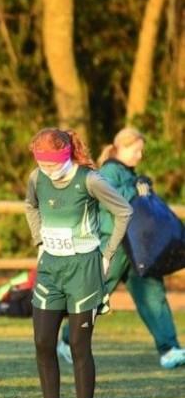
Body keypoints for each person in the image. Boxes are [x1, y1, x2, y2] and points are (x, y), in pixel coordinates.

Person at [23, 128, 132, 398]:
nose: (47, 172)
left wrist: (107, 254)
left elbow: (124, 211)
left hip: (84, 270)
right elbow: (30, 206)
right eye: (42, 165)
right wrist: (39, 242)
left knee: (79, 346)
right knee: (44, 343)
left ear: (65, 156)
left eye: (51, 165)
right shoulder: (37, 178)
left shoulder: (90, 180)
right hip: (50, 269)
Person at [57, 128, 185, 369]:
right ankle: (67, 340)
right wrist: (136, 190)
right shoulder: (107, 172)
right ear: (123, 147)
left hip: (138, 247)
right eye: (137, 150)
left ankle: (169, 349)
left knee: (153, 296)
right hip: (113, 245)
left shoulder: (128, 173)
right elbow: (110, 200)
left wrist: (143, 189)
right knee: (94, 295)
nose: (140, 155)